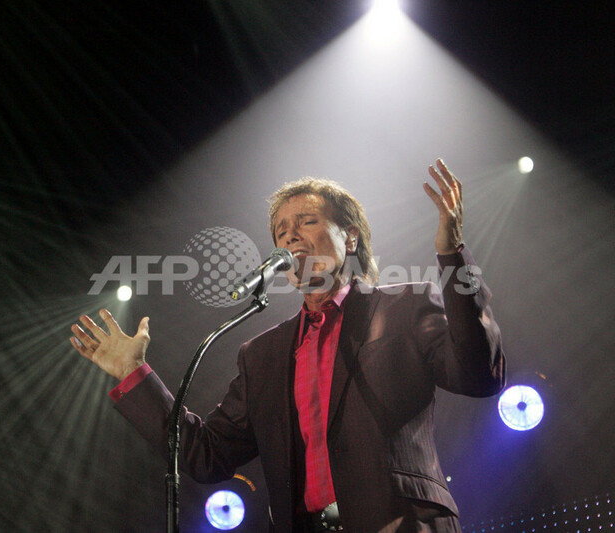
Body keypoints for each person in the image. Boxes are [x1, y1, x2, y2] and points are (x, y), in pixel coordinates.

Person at [70, 159, 505, 532]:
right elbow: (206, 456)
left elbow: (479, 374)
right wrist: (134, 374)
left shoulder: (405, 306)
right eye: (281, 231)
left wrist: (452, 252)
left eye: (307, 221)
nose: (291, 235)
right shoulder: (263, 355)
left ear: (350, 237)